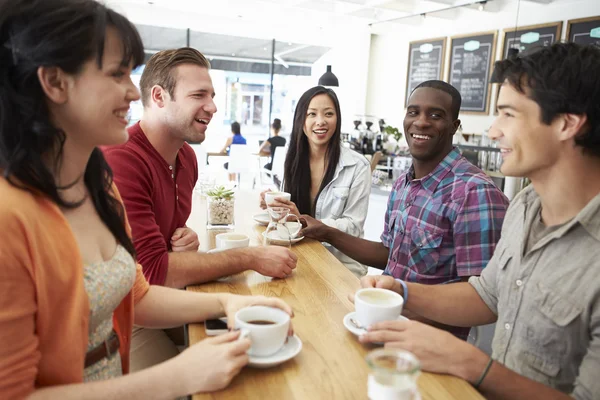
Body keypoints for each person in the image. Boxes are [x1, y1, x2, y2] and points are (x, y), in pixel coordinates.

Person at [0, 0, 293, 398]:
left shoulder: (96, 185)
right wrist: (180, 377)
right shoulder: (11, 215)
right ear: (54, 82)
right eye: (117, 74)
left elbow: (137, 294)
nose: (131, 91)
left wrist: (228, 302)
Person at [356, 43, 600, 399]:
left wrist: (472, 364)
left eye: (508, 114)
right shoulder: (525, 207)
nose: (493, 130)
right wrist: (402, 292)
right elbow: (487, 295)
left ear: (567, 123)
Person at [103, 47, 297, 371]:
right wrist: (251, 256)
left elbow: (154, 245)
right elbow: (153, 272)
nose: (213, 106)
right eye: (199, 95)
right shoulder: (122, 158)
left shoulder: (186, 157)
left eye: (212, 95)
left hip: (155, 297)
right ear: (159, 97)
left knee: (258, 339)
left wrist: (179, 240)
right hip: (121, 314)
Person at [300, 80, 509, 338]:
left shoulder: (475, 192)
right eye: (413, 112)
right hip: (382, 324)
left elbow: (481, 299)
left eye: (436, 115)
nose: (421, 122)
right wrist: (326, 232)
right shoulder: (403, 184)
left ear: (454, 126)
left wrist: (399, 308)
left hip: (429, 343)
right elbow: (389, 254)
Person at [260, 86, 372, 276]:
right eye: (312, 114)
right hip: (299, 255)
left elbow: (353, 227)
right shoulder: (292, 161)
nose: (321, 121)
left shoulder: (357, 166)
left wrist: (302, 221)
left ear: (337, 119)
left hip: (341, 265)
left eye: (328, 114)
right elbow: (286, 221)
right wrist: (276, 207)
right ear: (301, 121)